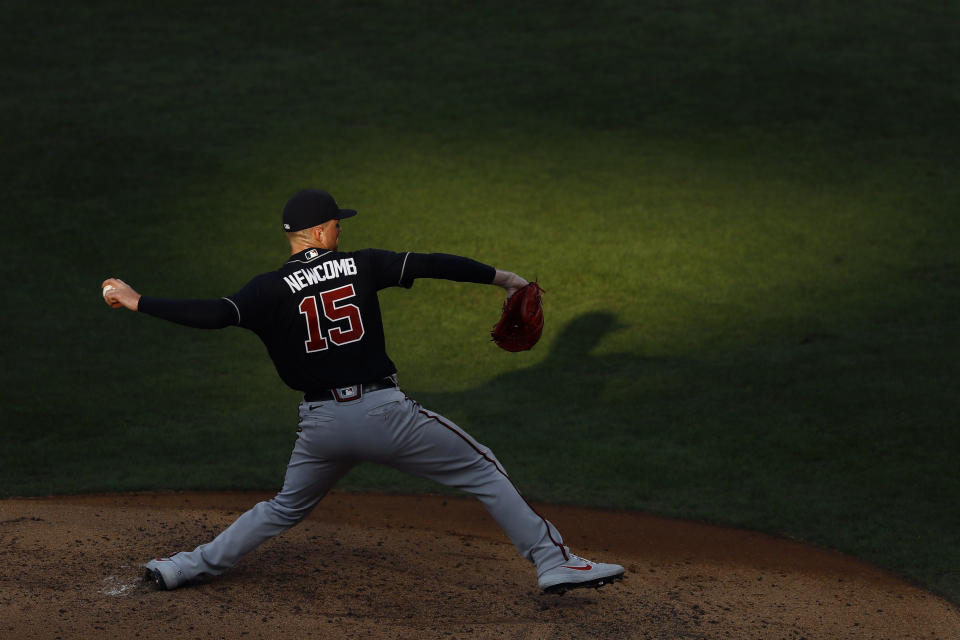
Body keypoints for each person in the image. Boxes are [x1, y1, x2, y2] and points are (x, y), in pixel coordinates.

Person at [102, 189, 625, 595]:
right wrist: (504, 279)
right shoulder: (362, 263)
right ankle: (553, 562)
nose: (339, 229)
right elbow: (431, 262)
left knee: (284, 507)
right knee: (483, 467)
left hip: (321, 428)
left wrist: (137, 300)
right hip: (385, 415)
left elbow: (214, 314)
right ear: (322, 229)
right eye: (336, 222)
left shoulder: (265, 290)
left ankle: (182, 567)